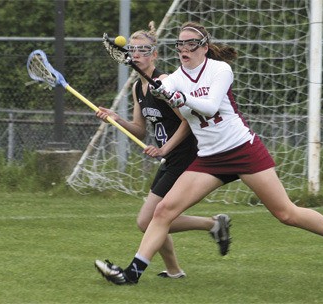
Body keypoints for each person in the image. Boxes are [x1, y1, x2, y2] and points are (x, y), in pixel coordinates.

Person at [97, 21, 323, 285]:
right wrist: (166, 93)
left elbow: (211, 106)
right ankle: (132, 274)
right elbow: (169, 95)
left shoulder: (220, 69)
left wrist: (181, 98)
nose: (185, 48)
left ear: (204, 47)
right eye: (181, 43)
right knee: (163, 211)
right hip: (209, 157)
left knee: (286, 214)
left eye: (192, 43)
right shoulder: (175, 78)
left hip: (242, 149)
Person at [94, 22, 232, 282]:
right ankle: (179, 264)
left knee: (149, 220)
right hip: (168, 157)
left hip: (184, 155)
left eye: (143, 50)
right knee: (152, 219)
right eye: (132, 50)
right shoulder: (138, 88)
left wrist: (165, 148)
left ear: (154, 54)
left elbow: (187, 121)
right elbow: (138, 129)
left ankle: (210, 227)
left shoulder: (165, 82)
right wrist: (114, 118)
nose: (136, 54)